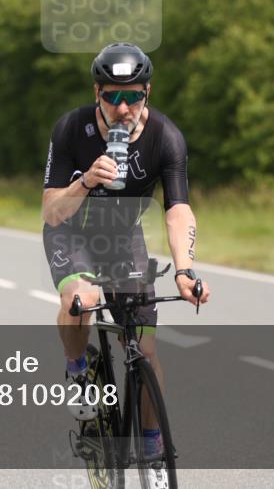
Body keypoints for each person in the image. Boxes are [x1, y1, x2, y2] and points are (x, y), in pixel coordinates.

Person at [41, 42, 211, 488]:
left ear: (147, 93)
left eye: (132, 96)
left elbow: (178, 209)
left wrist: (184, 269)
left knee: (146, 353)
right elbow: (51, 212)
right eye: (112, 96)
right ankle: (78, 371)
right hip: (72, 234)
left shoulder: (165, 137)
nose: (123, 108)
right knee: (81, 300)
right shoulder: (71, 129)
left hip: (123, 240)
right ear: (96, 93)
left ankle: (153, 452)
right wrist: (84, 181)